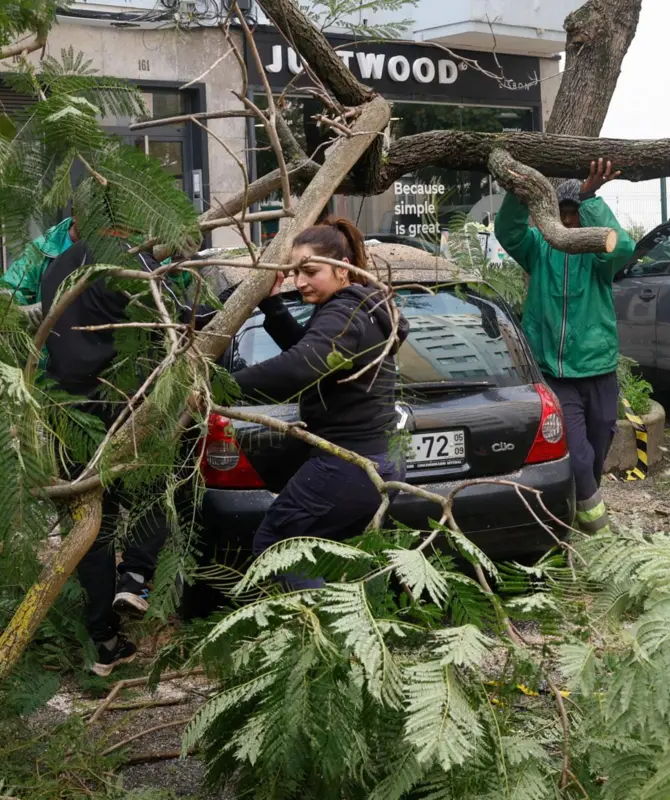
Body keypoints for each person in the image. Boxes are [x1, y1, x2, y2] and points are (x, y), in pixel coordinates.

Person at [40, 218, 217, 675]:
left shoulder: (54, 268)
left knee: (90, 526)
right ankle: (135, 576)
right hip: (127, 407)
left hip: (67, 412)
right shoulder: (132, 265)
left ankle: (103, 640)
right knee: (158, 488)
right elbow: (177, 328)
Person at [231, 218, 410, 587]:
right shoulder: (362, 308)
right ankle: (343, 631)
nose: (300, 282)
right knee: (322, 556)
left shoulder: (344, 313)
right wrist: (274, 307)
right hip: (379, 462)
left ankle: (318, 636)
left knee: (276, 547)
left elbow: (302, 366)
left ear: (343, 270)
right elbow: (317, 357)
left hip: (346, 464)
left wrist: (220, 387)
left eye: (310, 271)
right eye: (296, 272)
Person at [493, 159, 636, 536]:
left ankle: (577, 505)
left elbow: (622, 246)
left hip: (598, 368)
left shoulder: (597, 256)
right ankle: (597, 531)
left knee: (599, 442)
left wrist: (589, 197)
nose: (570, 223)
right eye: (564, 214)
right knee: (577, 452)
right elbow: (508, 232)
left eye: (575, 215)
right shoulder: (539, 247)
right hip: (555, 374)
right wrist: (517, 191)